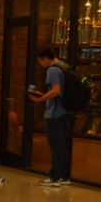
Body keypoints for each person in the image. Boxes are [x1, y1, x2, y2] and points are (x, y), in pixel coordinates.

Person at [28, 45, 73, 187]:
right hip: (66, 112)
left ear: (45, 58)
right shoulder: (64, 66)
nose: (40, 63)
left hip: (54, 114)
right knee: (62, 145)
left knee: (55, 146)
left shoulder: (52, 70)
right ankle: (64, 176)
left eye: (40, 60)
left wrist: (40, 99)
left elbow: (56, 91)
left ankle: (54, 177)